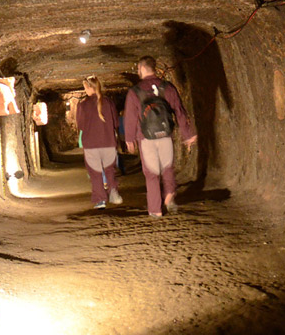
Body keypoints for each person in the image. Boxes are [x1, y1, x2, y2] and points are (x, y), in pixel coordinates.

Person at [124, 56, 197, 217]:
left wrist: (129, 139)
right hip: (165, 135)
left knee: (151, 173)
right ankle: (170, 193)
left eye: (138, 69)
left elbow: (130, 117)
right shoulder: (168, 87)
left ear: (142, 68)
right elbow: (179, 111)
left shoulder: (135, 92)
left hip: (145, 138)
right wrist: (188, 134)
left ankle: (155, 210)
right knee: (167, 167)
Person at [76, 75, 123, 209]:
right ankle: (113, 191)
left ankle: (100, 200)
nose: (85, 90)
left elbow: (81, 126)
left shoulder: (83, 105)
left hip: (91, 144)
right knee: (109, 170)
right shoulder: (108, 102)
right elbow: (115, 122)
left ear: (89, 87)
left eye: (85, 87)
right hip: (108, 142)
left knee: (95, 173)